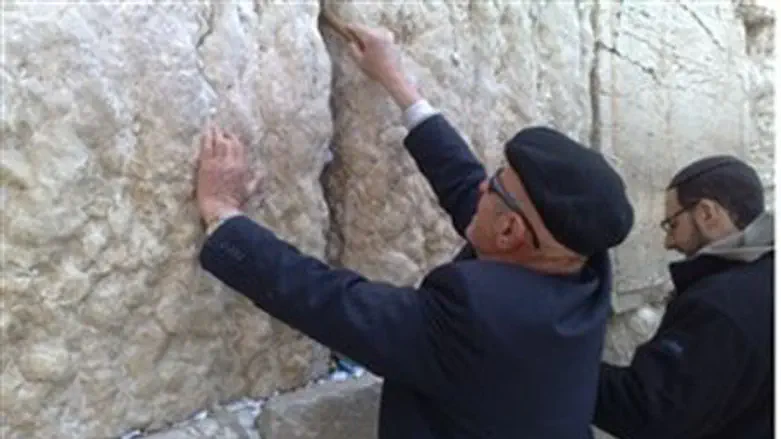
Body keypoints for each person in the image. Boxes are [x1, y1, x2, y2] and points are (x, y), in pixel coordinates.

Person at [195, 24, 634, 438]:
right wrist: (398, 84)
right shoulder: (580, 266)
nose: (484, 184)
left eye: (496, 184)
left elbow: (331, 302)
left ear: (510, 230)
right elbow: (468, 192)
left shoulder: (476, 316)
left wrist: (221, 213)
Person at [593, 156, 774, 438]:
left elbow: (648, 414)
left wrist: (569, 365)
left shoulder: (718, 308)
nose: (669, 242)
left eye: (672, 224)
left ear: (706, 213)